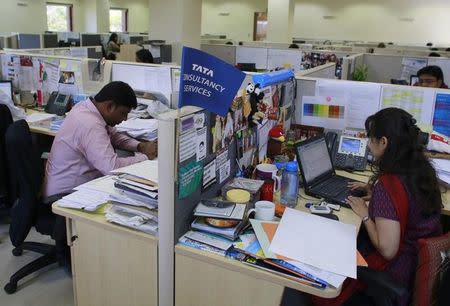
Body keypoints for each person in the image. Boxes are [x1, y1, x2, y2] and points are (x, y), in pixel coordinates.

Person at [281, 108, 442, 306]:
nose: (368, 143)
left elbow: (388, 249)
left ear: (384, 142)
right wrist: (375, 195)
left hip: (395, 274)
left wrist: (366, 214)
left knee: (314, 253)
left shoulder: (388, 185)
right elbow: (407, 204)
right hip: (416, 265)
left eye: (371, 138)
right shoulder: (420, 169)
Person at [44, 81, 157, 198]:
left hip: (76, 186)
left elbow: (114, 136)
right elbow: (112, 167)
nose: (124, 119)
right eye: (123, 113)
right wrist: (146, 157)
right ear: (110, 106)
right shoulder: (90, 124)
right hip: (64, 196)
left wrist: (140, 146)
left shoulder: (86, 108)